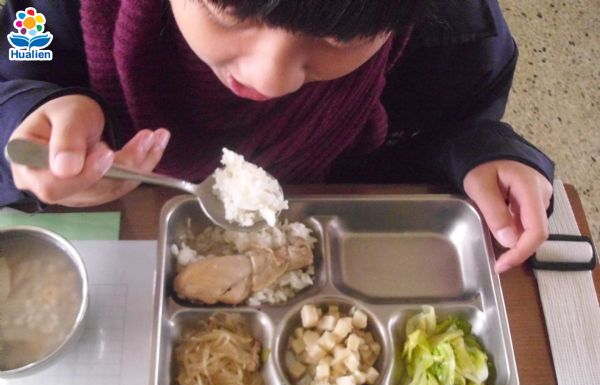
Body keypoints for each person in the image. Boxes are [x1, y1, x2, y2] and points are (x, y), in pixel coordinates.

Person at [0, 0, 553, 273]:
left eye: (342, 37)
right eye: (227, 8)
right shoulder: (47, 12)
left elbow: (459, 127)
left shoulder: (459, 39)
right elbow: (17, 72)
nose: (270, 79)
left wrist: (480, 153)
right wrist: (32, 113)